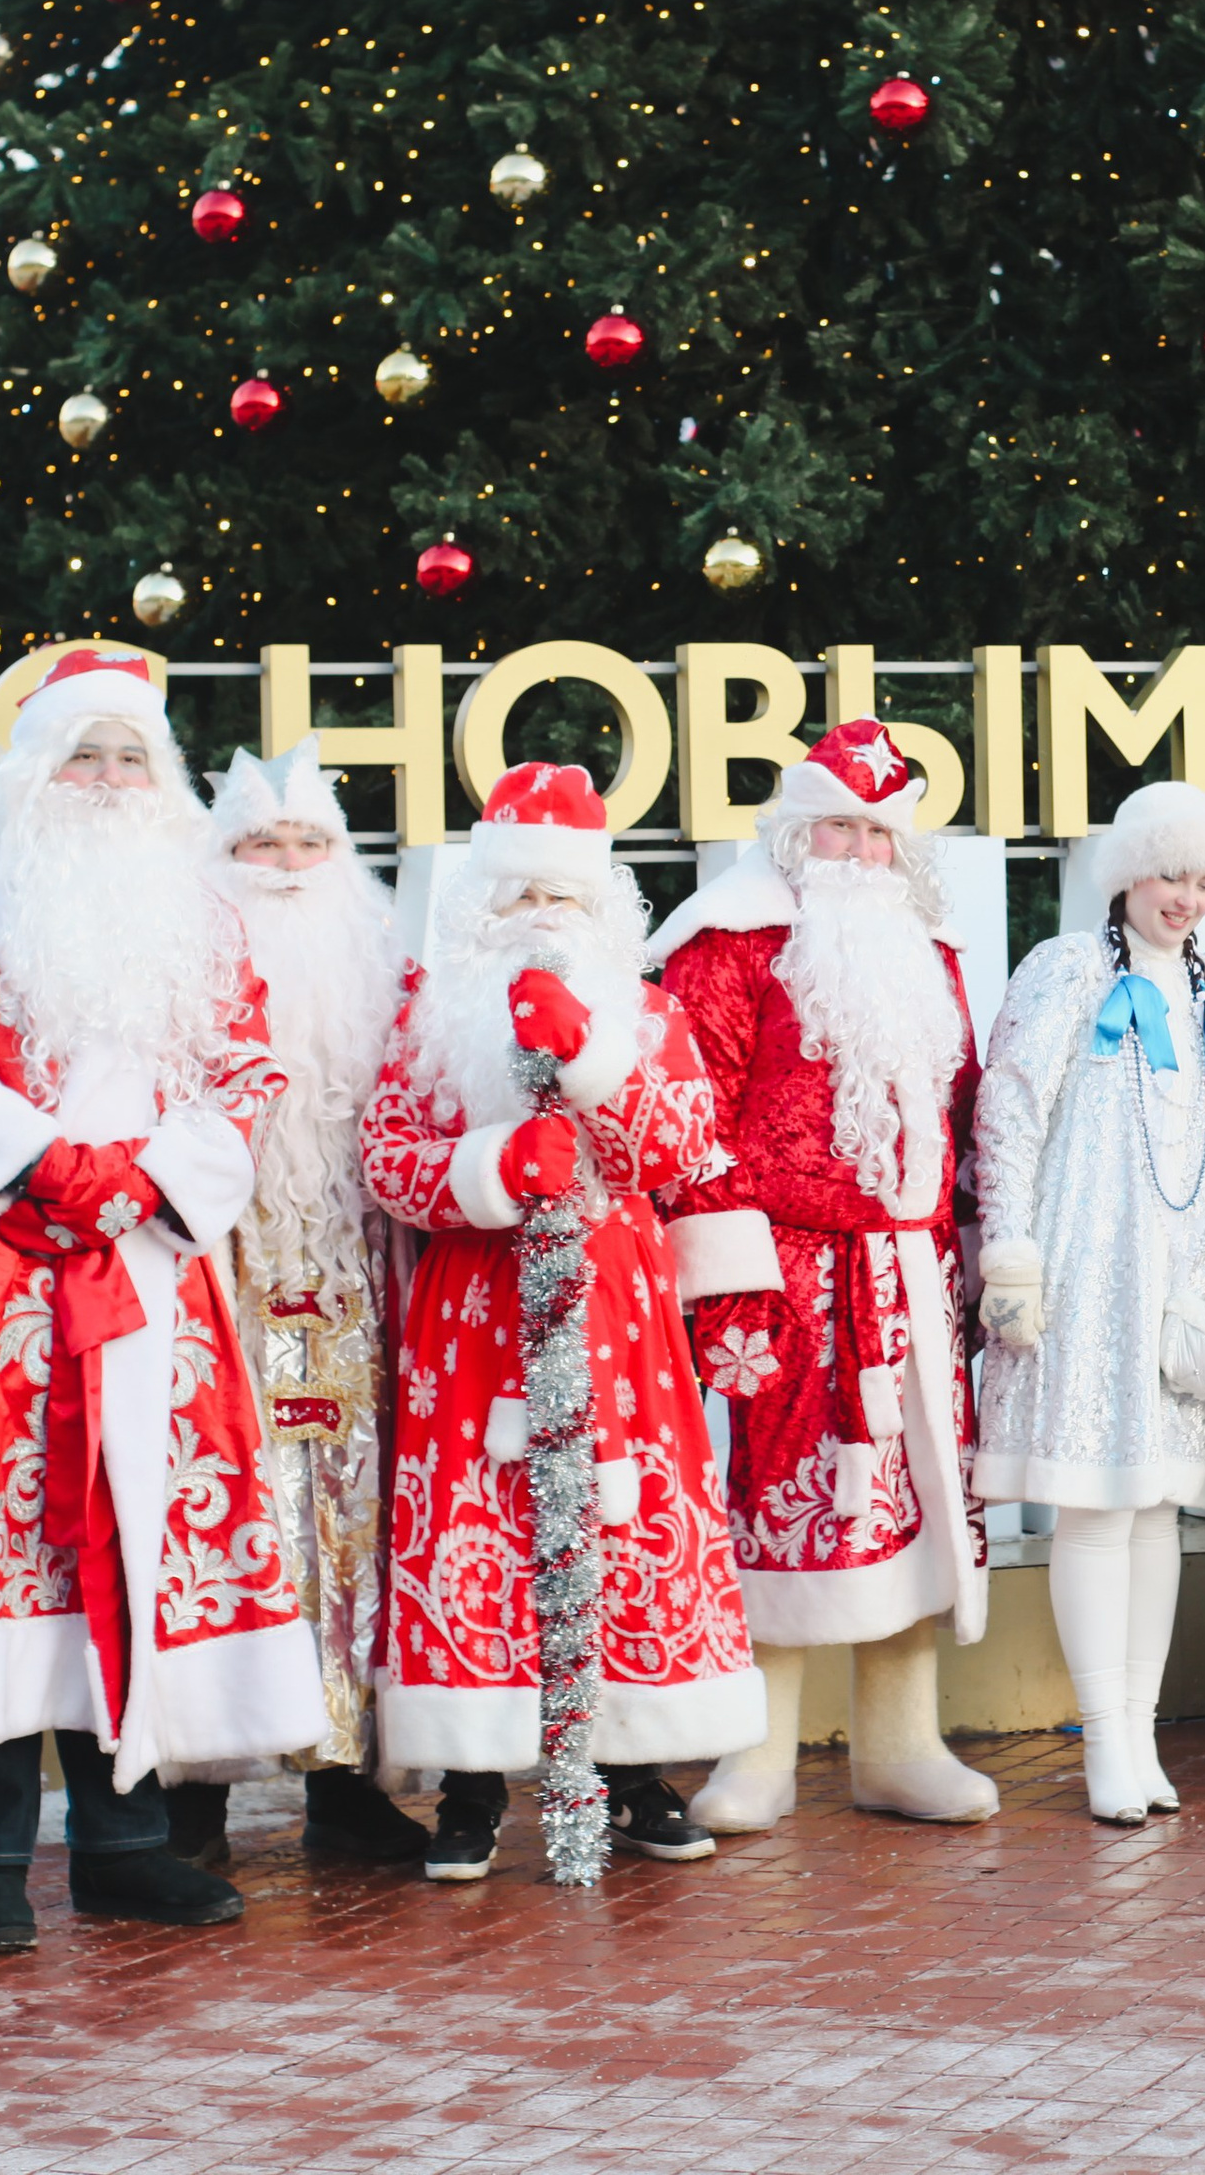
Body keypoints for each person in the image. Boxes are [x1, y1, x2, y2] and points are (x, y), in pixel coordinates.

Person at [0, 648, 320, 1953]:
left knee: (144, 1540)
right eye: (81, 754)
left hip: (154, 1271)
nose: (104, 780)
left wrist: (143, 1185)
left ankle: (125, 1848)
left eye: (130, 757)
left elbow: (247, 1069)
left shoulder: (200, 919)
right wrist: (55, 1171)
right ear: (31, 768)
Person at [360, 762, 761, 1878]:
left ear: (604, 908)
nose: (541, 919)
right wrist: (485, 1165)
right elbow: (389, 1159)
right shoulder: (428, 1020)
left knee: (615, 1521)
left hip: (611, 1306)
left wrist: (588, 1061)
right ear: (481, 907)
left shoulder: (653, 1013)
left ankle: (631, 1768)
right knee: (479, 1528)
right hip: (475, 1310)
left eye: (564, 897)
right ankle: (473, 1782)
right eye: (519, 896)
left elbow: (677, 1149)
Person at [652, 719, 996, 1830]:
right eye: (837, 828)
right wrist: (727, 1281)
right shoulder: (731, 944)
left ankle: (900, 1745)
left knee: (913, 1502)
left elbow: (962, 1105)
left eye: (876, 832)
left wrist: (979, 1248)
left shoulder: (928, 950)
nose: (856, 852)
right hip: (787, 1272)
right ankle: (752, 1756)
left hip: (912, 1269)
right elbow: (687, 1115)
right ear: (797, 833)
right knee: (777, 1501)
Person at [972, 782, 1205, 1824]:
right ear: (1125, 872)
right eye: (1167, 873)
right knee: (1096, 1505)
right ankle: (1103, 1737)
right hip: (1090, 1261)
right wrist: (1008, 1247)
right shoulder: (1065, 969)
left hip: (1187, 1274)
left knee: (1156, 1506)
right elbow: (1009, 1101)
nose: (1183, 897)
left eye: (1201, 879)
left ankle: (1141, 1737)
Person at [158, 741, 427, 1872]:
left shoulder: (381, 972)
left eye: (309, 841)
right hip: (215, 1283)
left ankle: (343, 1778)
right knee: (220, 1511)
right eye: (258, 842)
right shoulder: (179, 972)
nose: (284, 862)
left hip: (348, 1293)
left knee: (347, 1511)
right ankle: (192, 1788)